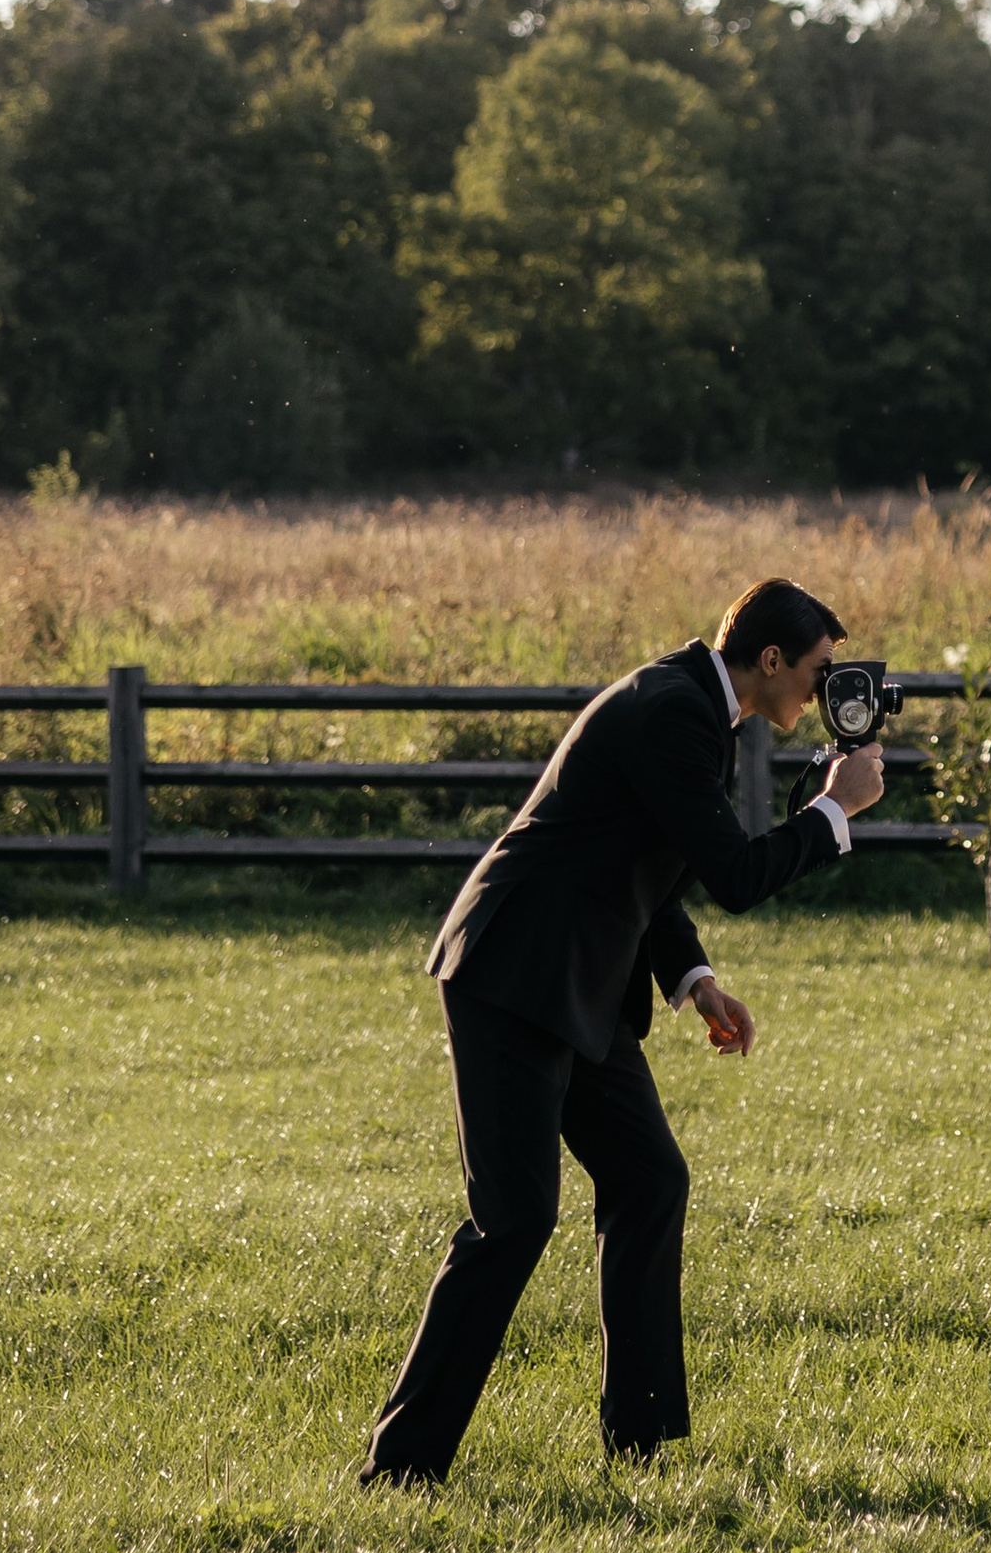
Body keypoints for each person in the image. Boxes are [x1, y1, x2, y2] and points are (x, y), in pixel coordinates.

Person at [360, 577, 886, 1484]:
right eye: (816, 670)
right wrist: (833, 813)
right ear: (769, 660)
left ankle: (640, 1443)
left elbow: (651, 860)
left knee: (649, 1181)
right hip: (514, 976)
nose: (822, 689)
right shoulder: (673, 712)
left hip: (584, 984)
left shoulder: (691, 709)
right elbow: (735, 872)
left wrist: (694, 978)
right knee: (513, 1222)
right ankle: (402, 1465)